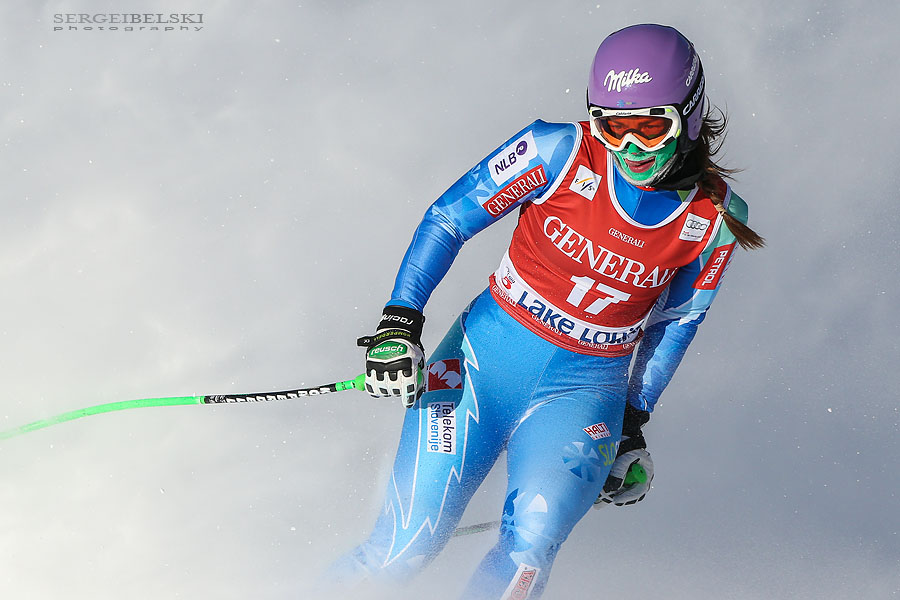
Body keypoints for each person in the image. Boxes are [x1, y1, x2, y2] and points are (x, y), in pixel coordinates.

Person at [325, 23, 764, 599]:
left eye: (650, 127)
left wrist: (632, 424)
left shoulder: (716, 218)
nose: (631, 148)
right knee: (405, 546)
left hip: (584, 395)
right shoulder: (555, 151)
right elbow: (449, 219)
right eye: (613, 127)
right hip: (479, 364)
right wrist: (399, 324)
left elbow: (676, 323)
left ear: (690, 115)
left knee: (528, 553)